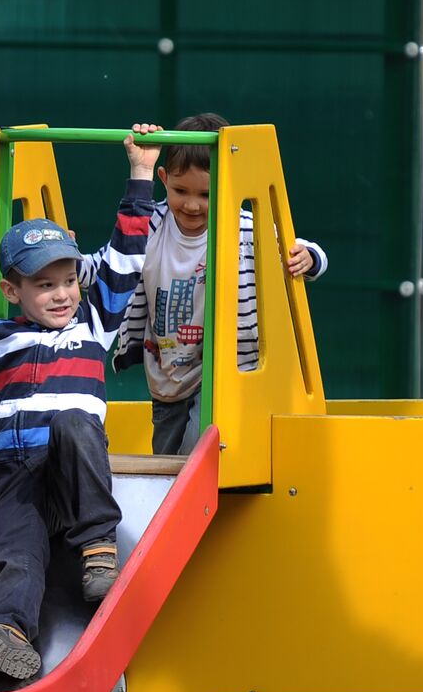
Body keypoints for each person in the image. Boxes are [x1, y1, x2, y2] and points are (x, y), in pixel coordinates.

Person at [0, 127, 159, 679]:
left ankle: (98, 546)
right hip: (17, 473)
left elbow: (125, 259)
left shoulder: (95, 322)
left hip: (73, 468)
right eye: (44, 285)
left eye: (68, 280)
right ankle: (10, 632)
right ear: (12, 290)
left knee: (72, 421)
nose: (62, 293)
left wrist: (140, 175)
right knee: (15, 554)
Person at [108, 113, 329, 455]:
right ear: (164, 179)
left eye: (206, 194)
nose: (193, 204)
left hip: (224, 367)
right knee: (165, 462)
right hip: (169, 369)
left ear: (228, 183)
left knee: (196, 451)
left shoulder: (243, 226)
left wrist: (310, 257)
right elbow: (119, 256)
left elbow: (290, 246)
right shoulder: (154, 223)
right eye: (181, 191)